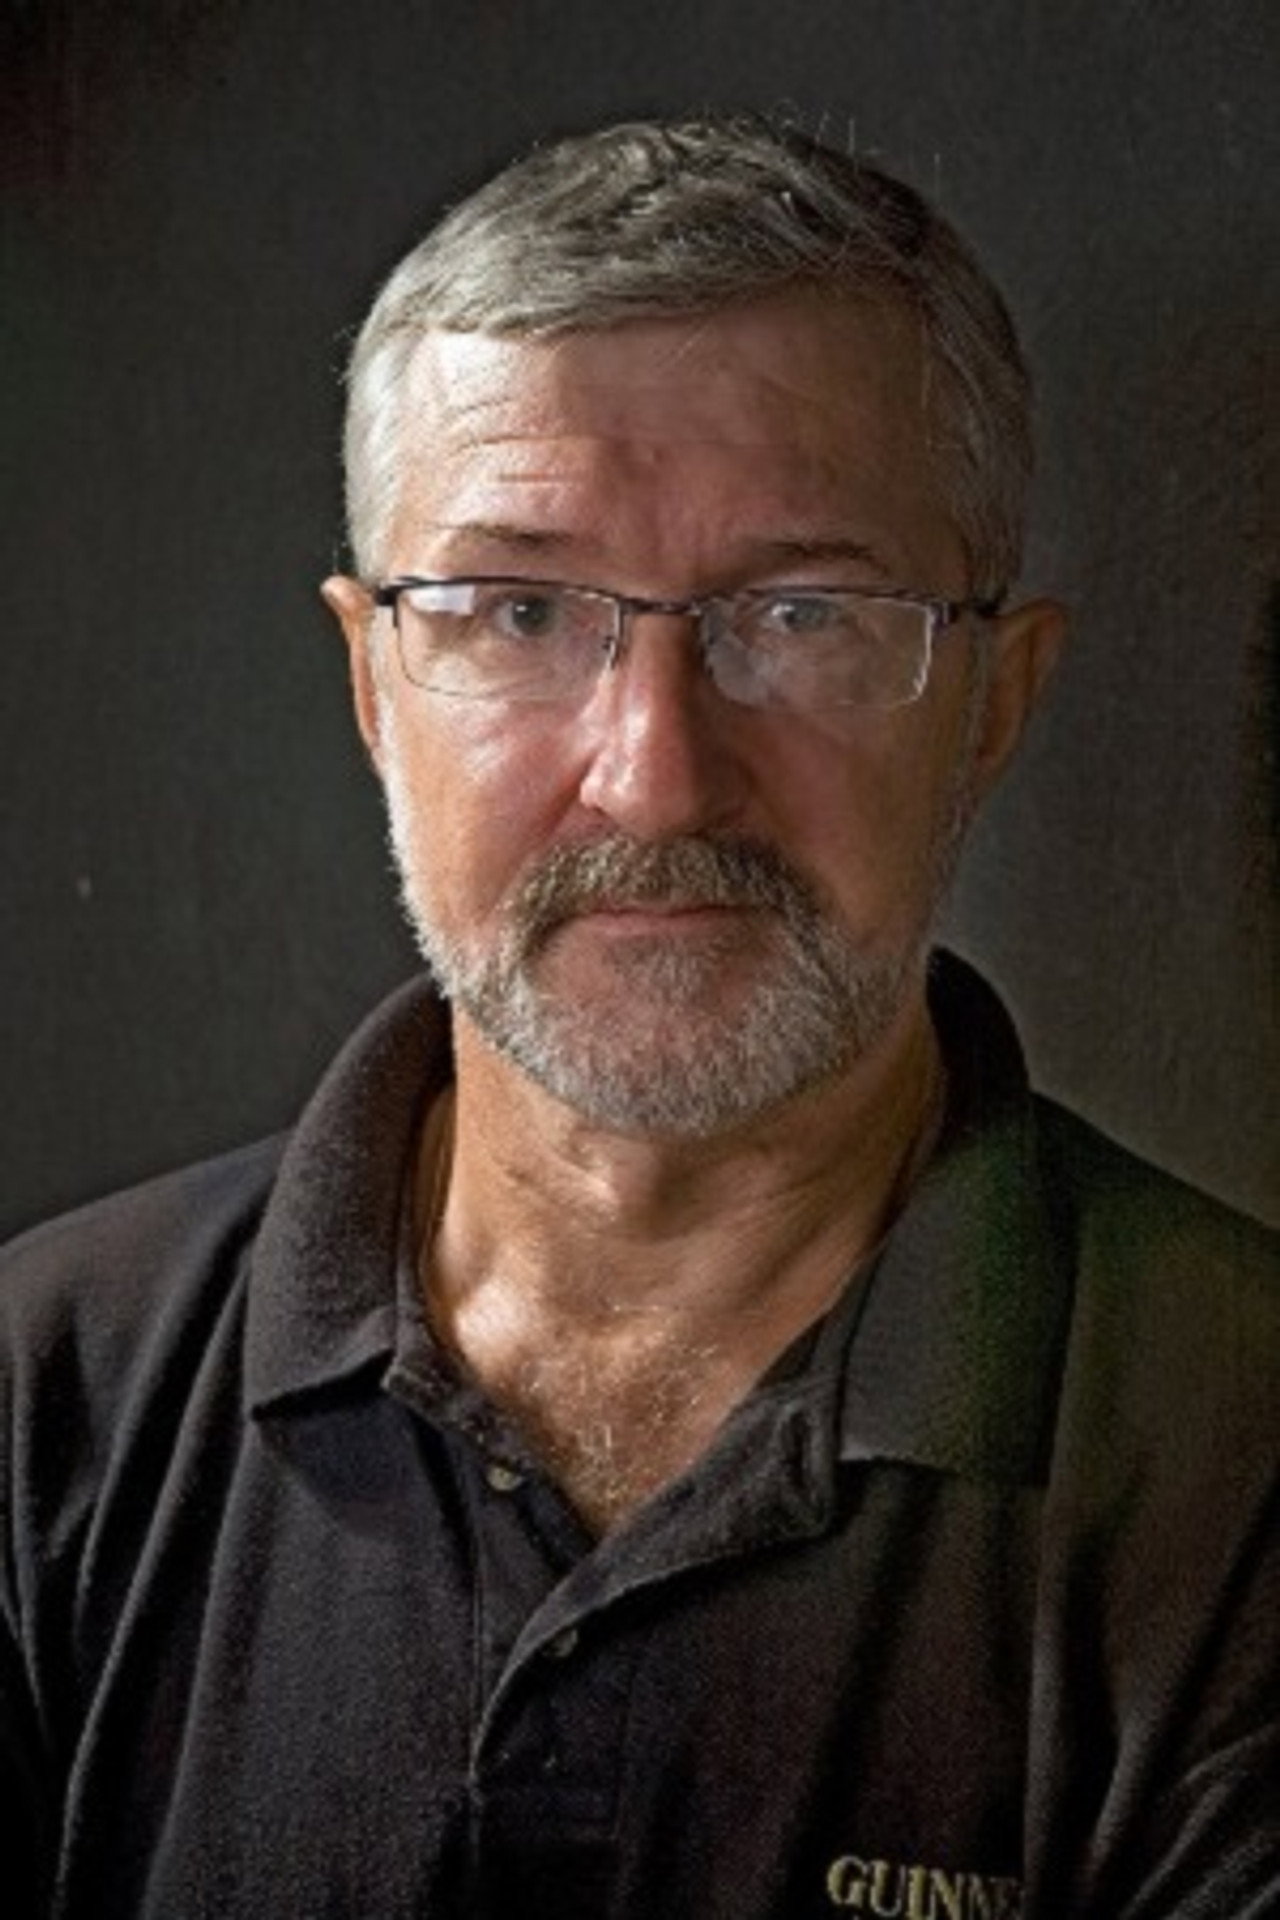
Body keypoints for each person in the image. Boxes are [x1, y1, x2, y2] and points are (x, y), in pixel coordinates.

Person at [2, 116, 1275, 1920]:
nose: (656, 777)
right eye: (521, 611)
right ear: (375, 684)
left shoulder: (1249, 1465)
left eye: (804, 613)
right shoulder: (41, 1401)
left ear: (991, 705)